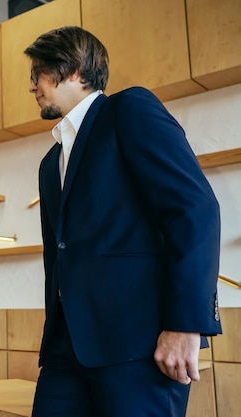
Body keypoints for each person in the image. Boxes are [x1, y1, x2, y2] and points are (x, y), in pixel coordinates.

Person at [24, 26, 222, 417]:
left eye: (38, 73)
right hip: (66, 349)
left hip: (140, 345)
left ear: (74, 69)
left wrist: (186, 325)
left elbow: (195, 210)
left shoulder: (129, 109)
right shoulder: (51, 163)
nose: (31, 86)